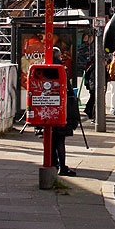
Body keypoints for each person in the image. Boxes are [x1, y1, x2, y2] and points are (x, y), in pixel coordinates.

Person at [50, 47, 79, 176]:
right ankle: (61, 165)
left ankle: (53, 163)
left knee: (51, 138)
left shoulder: (46, 66)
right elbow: (67, 88)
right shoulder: (60, 69)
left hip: (48, 108)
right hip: (61, 107)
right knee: (60, 139)